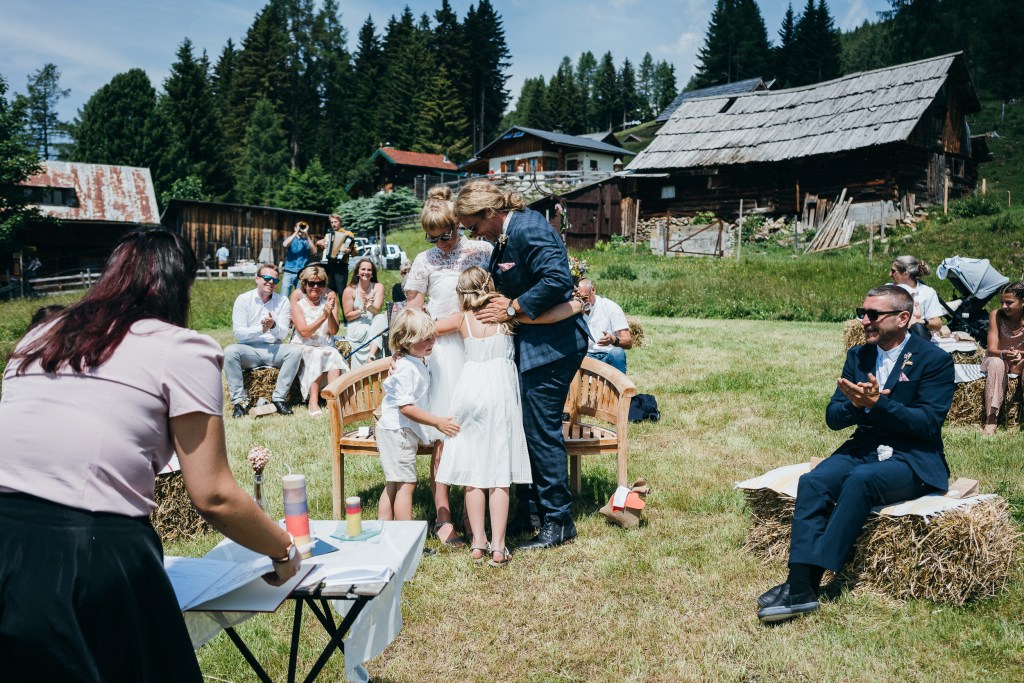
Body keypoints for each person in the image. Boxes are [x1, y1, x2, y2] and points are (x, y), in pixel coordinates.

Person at [0, 229, 301, 682]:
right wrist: (283, 548)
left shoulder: (42, 335)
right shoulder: (183, 349)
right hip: (93, 550)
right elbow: (214, 495)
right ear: (181, 286)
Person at [756, 285, 954, 623]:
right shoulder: (858, 356)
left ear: (902, 318)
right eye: (862, 313)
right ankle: (800, 584)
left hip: (913, 457)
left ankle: (803, 585)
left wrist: (879, 404)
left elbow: (927, 424)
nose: (864, 320)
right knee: (814, 481)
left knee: (861, 480)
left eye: (873, 314)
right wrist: (857, 404)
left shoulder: (934, 360)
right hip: (865, 447)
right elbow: (833, 418)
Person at [455, 179, 590, 550]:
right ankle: (529, 513)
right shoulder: (507, 232)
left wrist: (513, 308)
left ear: (490, 212)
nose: (473, 234)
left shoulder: (529, 228)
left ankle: (558, 522)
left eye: (473, 226)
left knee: (540, 431)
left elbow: (558, 279)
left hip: (553, 347)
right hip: (533, 346)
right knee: (525, 430)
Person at [436, 267, 582, 567]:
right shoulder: (506, 318)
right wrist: (578, 303)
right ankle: (499, 547)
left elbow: (427, 329)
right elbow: (545, 316)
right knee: (499, 473)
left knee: (474, 473)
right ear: (490, 286)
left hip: (469, 393)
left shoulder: (462, 319)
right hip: (500, 394)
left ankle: (478, 542)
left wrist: (399, 349)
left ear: (461, 293)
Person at [406, 185, 493, 546]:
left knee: (477, 431)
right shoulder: (424, 261)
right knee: (444, 433)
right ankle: (443, 515)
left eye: (447, 235)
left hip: (478, 348)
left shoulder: (481, 251)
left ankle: (475, 514)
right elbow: (412, 312)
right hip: (442, 353)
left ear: (459, 225)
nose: (441, 243)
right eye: (433, 237)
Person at [376, 308, 460, 522]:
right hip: (398, 432)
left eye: (432, 337)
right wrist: (437, 422)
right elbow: (406, 407)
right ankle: (406, 534)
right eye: (424, 340)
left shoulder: (418, 359)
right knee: (406, 484)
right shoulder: (407, 368)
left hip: (396, 430)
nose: (431, 343)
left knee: (394, 482)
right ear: (405, 342)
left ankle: (385, 528)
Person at [224, 263, 302, 417]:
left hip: (273, 349)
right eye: (266, 278)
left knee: (295, 352)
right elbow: (239, 333)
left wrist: (273, 326)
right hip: (249, 350)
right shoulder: (243, 299)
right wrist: (261, 329)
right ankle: (239, 403)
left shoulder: (283, 301)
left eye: (275, 280)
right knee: (229, 352)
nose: (271, 282)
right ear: (257, 279)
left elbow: (282, 335)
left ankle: (279, 398)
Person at [289, 265, 348, 417]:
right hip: (304, 345)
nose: (315, 287)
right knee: (317, 354)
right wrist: (323, 316)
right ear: (305, 284)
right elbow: (304, 333)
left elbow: (333, 331)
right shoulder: (298, 305)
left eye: (320, 283)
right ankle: (313, 402)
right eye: (311, 283)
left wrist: (330, 314)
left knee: (333, 354)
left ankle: (331, 401)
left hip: (325, 344)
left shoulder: (328, 302)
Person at [981, 281, 1024, 436]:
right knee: (996, 364)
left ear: (1023, 301)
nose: (1004, 306)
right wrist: (1004, 353)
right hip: (996, 357)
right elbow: (991, 349)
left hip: (1020, 361)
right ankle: (991, 419)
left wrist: (1020, 354)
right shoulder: (996, 315)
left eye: (1009, 302)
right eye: (1002, 302)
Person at [577, 277, 633, 374]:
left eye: (585, 297)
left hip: (608, 355)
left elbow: (628, 342)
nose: (583, 302)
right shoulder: (573, 310)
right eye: (579, 299)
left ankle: (617, 383)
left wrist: (613, 340)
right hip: (586, 357)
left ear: (593, 290)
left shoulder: (610, 307)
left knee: (618, 353)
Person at [342, 258, 389, 367]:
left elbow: (376, 311)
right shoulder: (349, 290)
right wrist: (362, 309)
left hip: (373, 324)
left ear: (372, 273)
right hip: (356, 327)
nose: (366, 272)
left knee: (381, 318)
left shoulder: (378, 287)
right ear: (357, 272)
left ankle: (371, 356)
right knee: (374, 329)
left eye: (369, 270)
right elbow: (348, 316)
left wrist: (368, 305)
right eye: (363, 269)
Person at [888, 255, 944, 339]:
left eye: (893, 271)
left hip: (917, 336)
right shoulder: (888, 289)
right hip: (893, 336)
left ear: (906, 273)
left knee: (917, 326)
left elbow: (938, 324)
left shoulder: (927, 292)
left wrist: (921, 321)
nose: (890, 274)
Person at [317, 214, 356, 301]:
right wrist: (319, 244)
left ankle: (346, 310)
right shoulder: (328, 235)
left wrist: (348, 251)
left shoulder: (348, 234)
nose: (333, 224)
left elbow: (354, 252)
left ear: (340, 222)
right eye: (332, 222)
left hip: (341, 266)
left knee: (342, 293)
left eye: (335, 222)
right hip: (329, 266)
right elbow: (323, 250)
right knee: (329, 293)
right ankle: (331, 309)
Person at [281, 221, 316, 298]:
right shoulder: (290, 238)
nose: (300, 229)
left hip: (301, 273)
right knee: (284, 296)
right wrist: (296, 232)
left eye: (302, 227)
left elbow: (314, 251)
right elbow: (285, 244)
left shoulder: (306, 241)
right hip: (289, 271)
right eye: (299, 227)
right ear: (295, 228)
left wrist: (307, 236)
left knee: (300, 297)